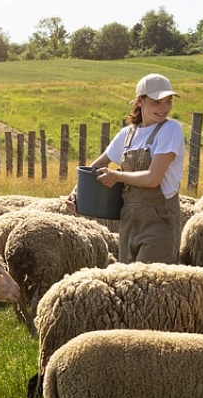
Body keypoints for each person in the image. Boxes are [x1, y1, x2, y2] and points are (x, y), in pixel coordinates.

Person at [66, 73, 186, 264]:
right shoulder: (127, 134)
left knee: (152, 283)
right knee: (128, 284)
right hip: (128, 221)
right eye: (157, 102)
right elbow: (97, 165)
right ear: (141, 101)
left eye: (168, 101)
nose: (164, 108)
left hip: (159, 222)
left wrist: (118, 176)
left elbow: (153, 178)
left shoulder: (171, 130)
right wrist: (76, 194)